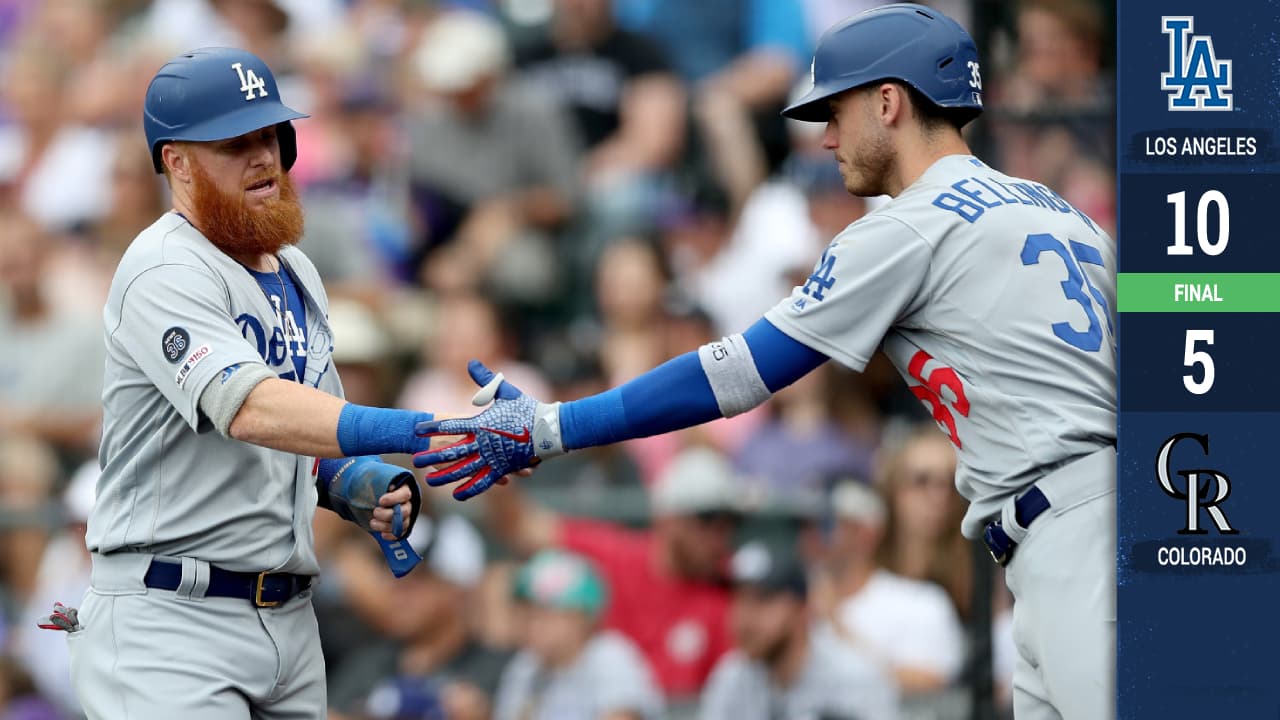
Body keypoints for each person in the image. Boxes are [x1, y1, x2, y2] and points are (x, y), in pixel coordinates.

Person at [417, 5, 1117, 720]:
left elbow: (732, 374)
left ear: (888, 101)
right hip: (1081, 523)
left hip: (1074, 527)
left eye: (837, 110)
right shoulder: (1060, 210)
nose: (826, 137)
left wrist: (552, 425)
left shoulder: (909, 226)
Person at [63, 47, 474, 719]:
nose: (262, 156)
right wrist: (416, 425)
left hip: (286, 620)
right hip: (171, 620)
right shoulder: (164, 266)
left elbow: (307, 430)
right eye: (234, 142)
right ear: (178, 162)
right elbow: (251, 409)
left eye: (271, 136)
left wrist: (347, 482)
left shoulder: (296, 271)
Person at [485, 446, 737, 697]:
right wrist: (490, 456)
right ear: (669, 519)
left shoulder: (729, 593)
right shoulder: (619, 555)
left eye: (727, 524)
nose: (719, 538)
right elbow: (522, 527)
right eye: (707, 520)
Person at [700, 540, 897, 720]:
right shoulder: (731, 676)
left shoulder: (853, 677)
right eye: (738, 599)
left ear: (802, 609)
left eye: (761, 600)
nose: (743, 619)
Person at [824, 480, 966, 693]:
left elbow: (932, 683)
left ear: (865, 534)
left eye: (826, 525)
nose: (810, 537)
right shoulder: (786, 599)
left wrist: (839, 628)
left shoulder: (921, 603)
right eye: (803, 525)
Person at [492, 549, 665, 720]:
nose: (534, 624)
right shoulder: (525, 666)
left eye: (547, 613)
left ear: (582, 618)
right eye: (529, 612)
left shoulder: (610, 656)